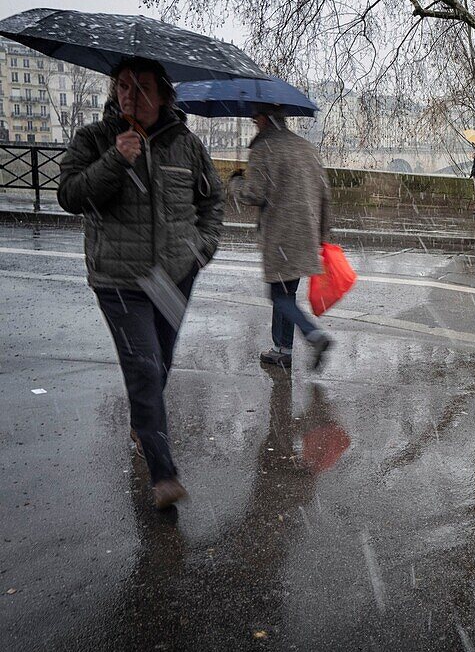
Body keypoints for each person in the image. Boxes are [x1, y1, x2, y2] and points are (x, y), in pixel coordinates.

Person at [57, 56, 224, 510]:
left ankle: (142, 420)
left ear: (165, 93)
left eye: (143, 86)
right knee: (146, 367)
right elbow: (70, 195)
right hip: (119, 279)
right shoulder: (95, 139)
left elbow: (212, 201)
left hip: (174, 276)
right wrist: (116, 158)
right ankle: (163, 473)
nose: (131, 95)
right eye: (124, 86)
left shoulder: (186, 145)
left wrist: (199, 250)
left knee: (161, 362)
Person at [228, 103, 333, 371]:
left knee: (279, 296)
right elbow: (324, 194)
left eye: (255, 118)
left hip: (280, 235)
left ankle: (313, 334)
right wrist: (322, 235)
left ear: (264, 119)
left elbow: (255, 194)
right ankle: (282, 349)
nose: (254, 122)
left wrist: (235, 182)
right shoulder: (306, 148)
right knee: (286, 292)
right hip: (305, 233)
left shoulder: (264, 149)